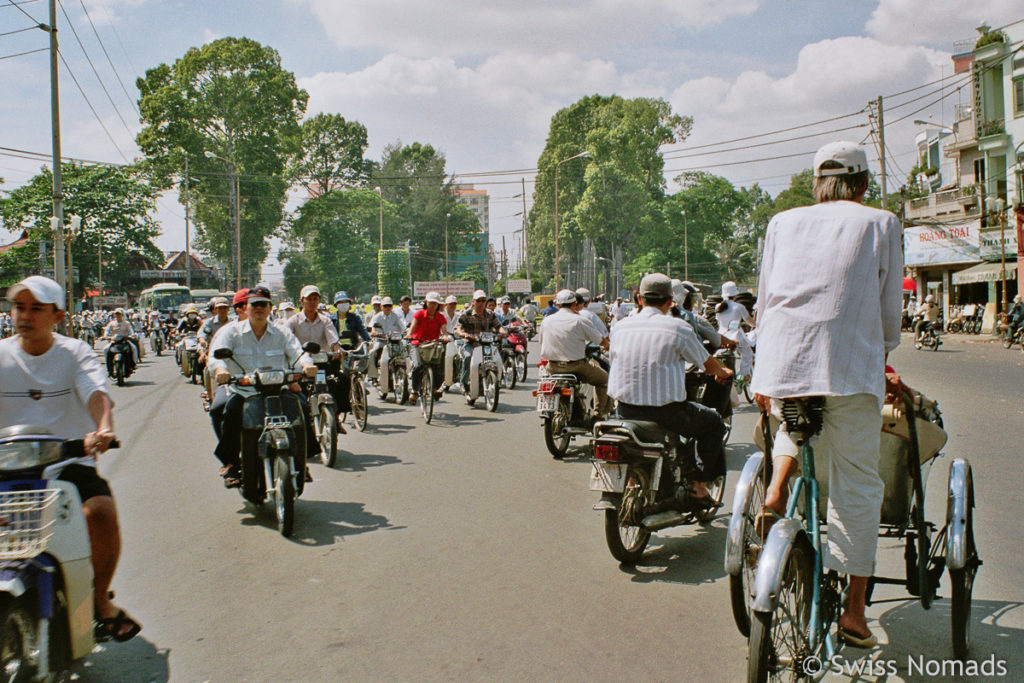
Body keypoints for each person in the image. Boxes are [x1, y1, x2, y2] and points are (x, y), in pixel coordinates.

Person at [751, 141, 903, 648]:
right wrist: (878, 354)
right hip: (848, 370)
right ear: (862, 184)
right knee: (858, 486)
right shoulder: (880, 222)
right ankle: (855, 613)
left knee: (800, 427)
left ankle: (777, 489)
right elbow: (888, 319)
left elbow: (768, 297)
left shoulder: (781, 223)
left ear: (818, 184)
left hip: (782, 365)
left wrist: (766, 376)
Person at [1, 276, 141, 641]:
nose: (25, 316)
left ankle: (99, 601)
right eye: (20, 307)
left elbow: (95, 390)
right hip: (7, 464)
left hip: (66, 462)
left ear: (58, 315)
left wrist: (103, 429)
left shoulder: (74, 352)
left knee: (100, 512)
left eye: (37, 309)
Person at [607, 273, 732, 504]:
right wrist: (723, 372)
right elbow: (706, 362)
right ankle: (699, 487)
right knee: (713, 422)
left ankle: (634, 481)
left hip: (623, 411)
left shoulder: (619, 327)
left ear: (639, 299)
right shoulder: (678, 328)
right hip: (666, 414)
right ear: (669, 301)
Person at [208, 286, 319, 489]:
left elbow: (296, 351)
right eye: (254, 304)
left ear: (270, 308)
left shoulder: (282, 332)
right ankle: (230, 463)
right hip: (244, 391)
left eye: (263, 304)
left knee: (302, 408)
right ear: (245, 308)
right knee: (225, 411)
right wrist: (220, 371)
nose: (259, 308)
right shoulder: (230, 332)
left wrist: (306, 365)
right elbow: (215, 359)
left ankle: (300, 462)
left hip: (277, 389)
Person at [539, 289, 611, 419]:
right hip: (576, 366)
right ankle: (597, 415)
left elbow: (542, 341)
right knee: (604, 380)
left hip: (552, 367)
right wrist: (607, 346)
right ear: (575, 304)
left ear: (557, 305)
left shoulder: (546, 321)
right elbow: (601, 340)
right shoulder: (580, 320)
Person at [455, 290, 504, 397]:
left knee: (498, 359)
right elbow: (458, 328)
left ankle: (498, 380)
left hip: (487, 344)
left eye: (483, 300)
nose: (481, 303)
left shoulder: (490, 314)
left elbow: (499, 326)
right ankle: (463, 383)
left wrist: (502, 332)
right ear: (473, 302)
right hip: (471, 343)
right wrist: (464, 334)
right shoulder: (466, 314)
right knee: (468, 357)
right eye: (479, 301)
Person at [406, 291, 449, 401]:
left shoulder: (440, 317)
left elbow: (444, 331)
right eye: (431, 303)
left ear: (438, 305)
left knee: (438, 368)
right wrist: (410, 335)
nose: (433, 306)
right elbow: (413, 326)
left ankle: (435, 388)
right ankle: (414, 390)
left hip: (433, 345)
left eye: (435, 303)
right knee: (417, 366)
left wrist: (445, 337)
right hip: (418, 344)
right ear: (426, 303)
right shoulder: (419, 314)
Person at [716, 281, 755, 377]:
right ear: (735, 295)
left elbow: (719, 322)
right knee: (747, 354)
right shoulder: (739, 307)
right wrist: (757, 324)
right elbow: (750, 322)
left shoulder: (718, 306)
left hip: (721, 336)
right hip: (736, 337)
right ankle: (743, 376)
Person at [101, 308, 140, 373]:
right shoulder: (111, 323)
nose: (118, 315)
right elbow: (107, 330)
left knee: (134, 348)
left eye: (119, 314)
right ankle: (109, 366)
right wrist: (105, 336)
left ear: (122, 315)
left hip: (125, 341)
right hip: (114, 341)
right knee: (105, 349)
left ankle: (134, 364)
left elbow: (131, 331)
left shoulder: (126, 323)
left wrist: (132, 335)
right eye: (116, 314)